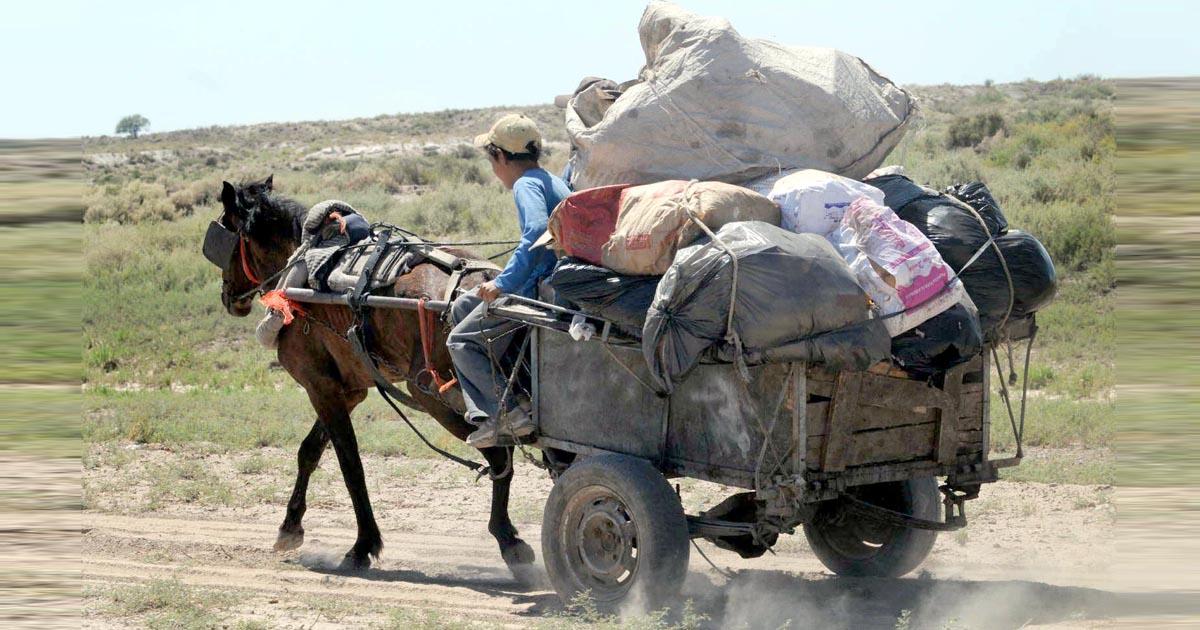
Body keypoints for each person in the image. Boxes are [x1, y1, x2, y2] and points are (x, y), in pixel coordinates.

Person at [447, 114, 570, 448]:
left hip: (536, 288)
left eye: (491, 160)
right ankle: (494, 404)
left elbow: (535, 231)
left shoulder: (525, 184)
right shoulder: (552, 179)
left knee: (460, 341)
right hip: (546, 278)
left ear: (500, 156)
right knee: (463, 306)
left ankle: (511, 411)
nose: (493, 169)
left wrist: (504, 283)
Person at [255, 200, 370, 348]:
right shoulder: (358, 225)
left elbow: (265, 340)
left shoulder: (304, 258)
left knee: (277, 309)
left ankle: (277, 316)